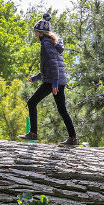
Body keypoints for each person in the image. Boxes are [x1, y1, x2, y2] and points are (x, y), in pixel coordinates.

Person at [19, 13, 78, 146]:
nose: (35, 35)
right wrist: (37, 77)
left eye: (36, 33)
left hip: (53, 81)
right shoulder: (52, 42)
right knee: (62, 109)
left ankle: (33, 133)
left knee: (32, 102)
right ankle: (73, 138)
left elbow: (53, 63)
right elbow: (49, 66)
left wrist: (55, 82)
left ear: (40, 33)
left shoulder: (46, 43)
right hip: (55, 79)